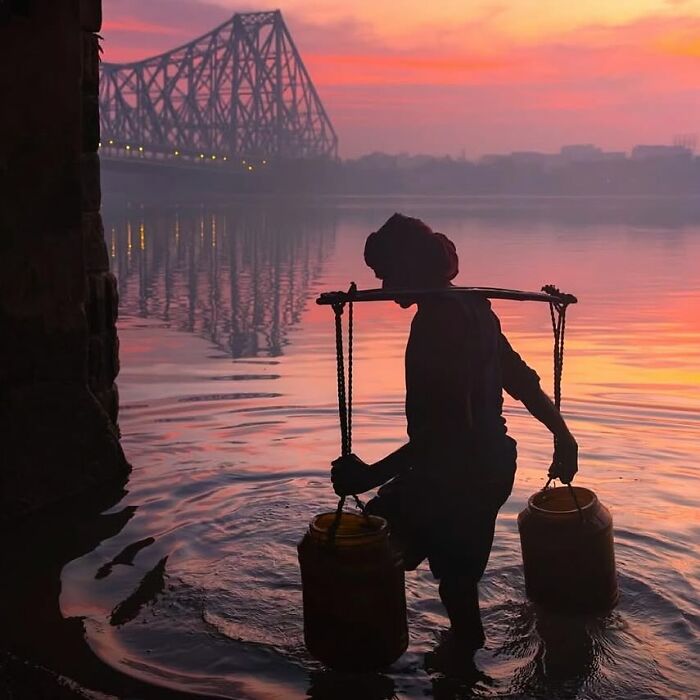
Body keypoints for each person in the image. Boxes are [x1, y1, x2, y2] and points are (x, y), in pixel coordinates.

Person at [331, 213, 578, 651]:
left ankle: (400, 662)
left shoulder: (436, 325)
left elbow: (443, 435)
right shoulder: (475, 308)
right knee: (455, 582)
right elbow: (519, 379)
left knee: (378, 545)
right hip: (491, 466)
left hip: (459, 474)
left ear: (411, 268)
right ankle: (457, 668)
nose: (386, 289)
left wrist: (368, 475)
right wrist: (562, 434)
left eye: (387, 275)